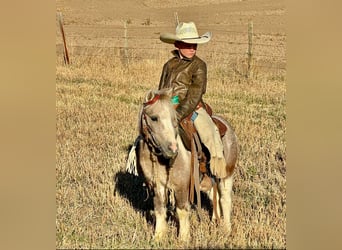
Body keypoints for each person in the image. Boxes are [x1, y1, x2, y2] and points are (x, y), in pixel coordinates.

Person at [158, 22, 227, 178]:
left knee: (207, 130)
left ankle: (211, 167)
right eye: (188, 44)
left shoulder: (199, 65)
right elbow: (161, 88)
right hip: (168, 106)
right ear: (177, 44)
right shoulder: (168, 65)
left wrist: (178, 114)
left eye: (194, 44)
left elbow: (195, 94)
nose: (192, 48)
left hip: (191, 107)